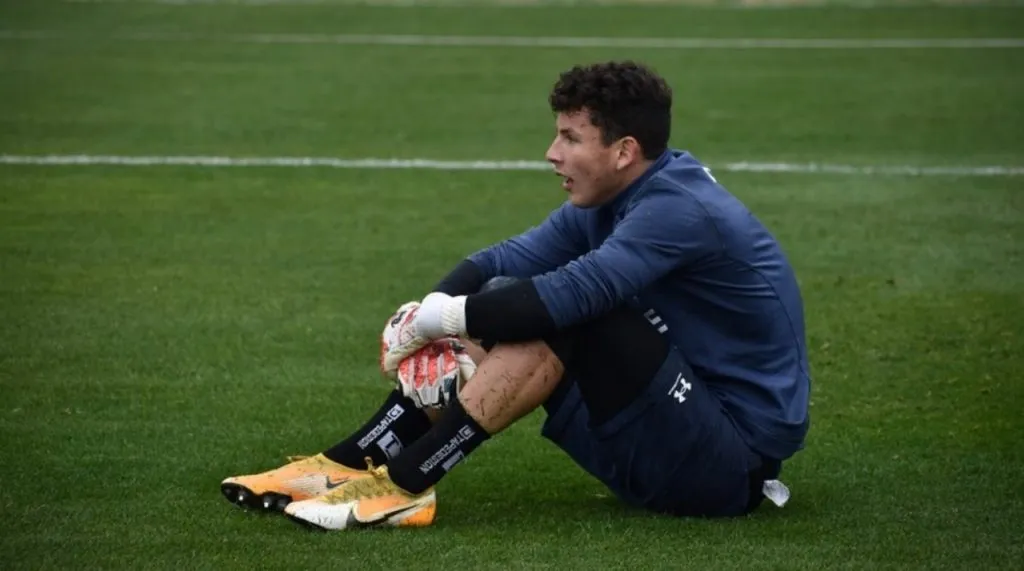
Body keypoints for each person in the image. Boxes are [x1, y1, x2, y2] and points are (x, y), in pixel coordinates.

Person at [221, 60, 811, 530]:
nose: (552, 153)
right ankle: (346, 463)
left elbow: (575, 295)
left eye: (570, 138)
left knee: (568, 310)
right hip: (656, 437)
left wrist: (438, 321)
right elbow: (501, 261)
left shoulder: (679, 209)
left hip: (725, 467)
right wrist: (429, 311)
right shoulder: (618, 196)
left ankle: (406, 484)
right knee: (508, 294)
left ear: (624, 151)